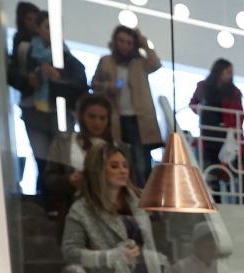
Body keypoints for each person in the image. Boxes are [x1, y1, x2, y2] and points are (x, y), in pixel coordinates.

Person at [62, 143, 175, 273]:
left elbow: (147, 242)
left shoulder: (137, 201)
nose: (123, 170)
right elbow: (70, 252)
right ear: (98, 171)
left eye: (125, 165)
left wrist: (156, 260)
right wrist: (108, 257)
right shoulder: (82, 210)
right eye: (114, 166)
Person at [9, 11, 87, 196]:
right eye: (48, 27)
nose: (52, 31)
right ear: (38, 28)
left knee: (61, 159)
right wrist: (28, 81)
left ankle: (57, 199)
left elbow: (80, 85)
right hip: (33, 111)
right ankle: (44, 197)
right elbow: (11, 74)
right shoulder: (24, 51)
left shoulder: (66, 56)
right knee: (41, 158)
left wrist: (59, 78)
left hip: (60, 112)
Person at [44, 94, 129, 240]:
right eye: (92, 116)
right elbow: (49, 179)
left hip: (113, 216)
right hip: (76, 214)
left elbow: (131, 184)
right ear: (81, 116)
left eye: (103, 118)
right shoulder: (63, 142)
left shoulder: (120, 147)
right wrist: (70, 180)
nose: (97, 122)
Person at [91, 26, 162, 186]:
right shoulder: (106, 61)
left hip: (139, 118)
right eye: (122, 41)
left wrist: (142, 40)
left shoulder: (140, 63)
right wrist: (108, 87)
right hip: (115, 116)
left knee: (142, 161)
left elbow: (156, 63)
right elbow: (94, 84)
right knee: (118, 157)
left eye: (129, 42)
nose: (125, 45)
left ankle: (144, 197)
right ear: (115, 41)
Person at [190, 59, 244, 174]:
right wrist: (200, 111)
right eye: (228, 72)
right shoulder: (203, 86)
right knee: (211, 161)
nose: (230, 75)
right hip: (208, 129)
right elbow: (193, 103)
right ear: (219, 71)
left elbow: (240, 113)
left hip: (226, 130)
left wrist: (236, 128)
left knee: (229, 161)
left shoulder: (234, 92)